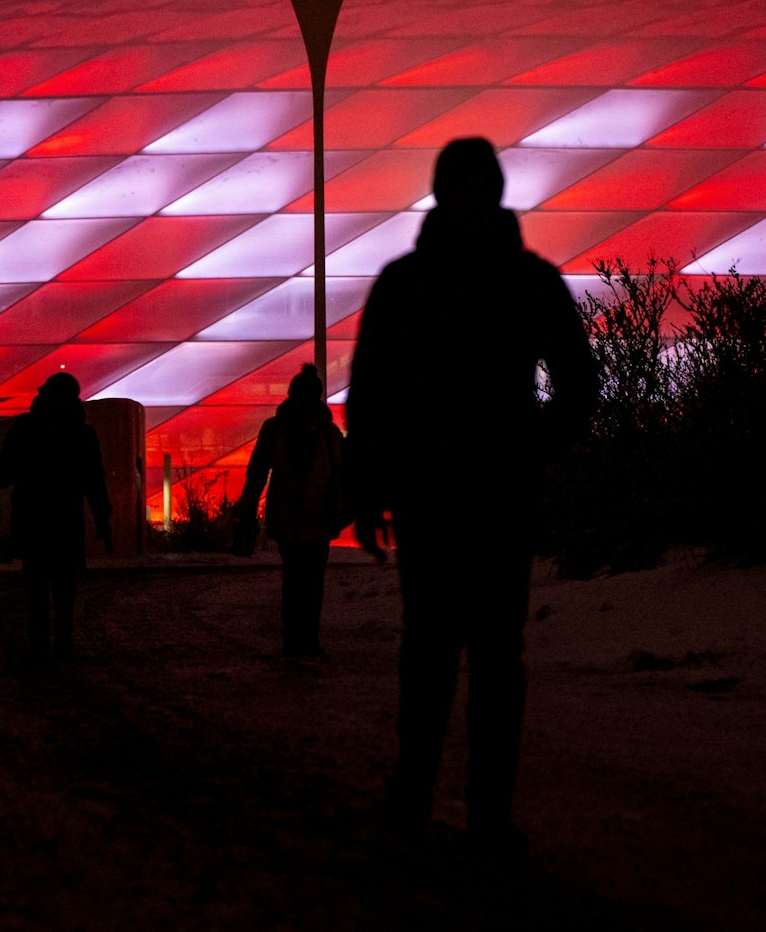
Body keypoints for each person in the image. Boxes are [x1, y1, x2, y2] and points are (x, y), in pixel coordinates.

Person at [346, 137, 598, 853]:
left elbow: (371, 399)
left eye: (472, 187)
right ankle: (461, 804)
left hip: (451, 495)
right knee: (469, 653)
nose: (465, 201)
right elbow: (369, 399)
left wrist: (375, 480)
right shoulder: (524, 280)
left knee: (458, 652)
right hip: (479, 498)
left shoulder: (408, 283)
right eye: (458, 188)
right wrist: (530, 451)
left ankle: (437, 799)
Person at [0, 372, 112, 663]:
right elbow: (94, 481)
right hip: (66, 518)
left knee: (35, 586)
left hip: (33, 517)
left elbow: (3, 472)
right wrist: (102, 520)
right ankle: (63, 643)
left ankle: (38, 644)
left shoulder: (24, 428)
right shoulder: (83, 434)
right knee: (65, 586)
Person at [235, 364, 348, 657]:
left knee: (298, 580)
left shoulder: (279, 429)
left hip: (296, 517)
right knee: (308, 582)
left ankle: (298, 639)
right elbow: (340, 475)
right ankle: (303, 639)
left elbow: (257, 472)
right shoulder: (327, 432)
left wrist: (248, 507)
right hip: (312, 518)